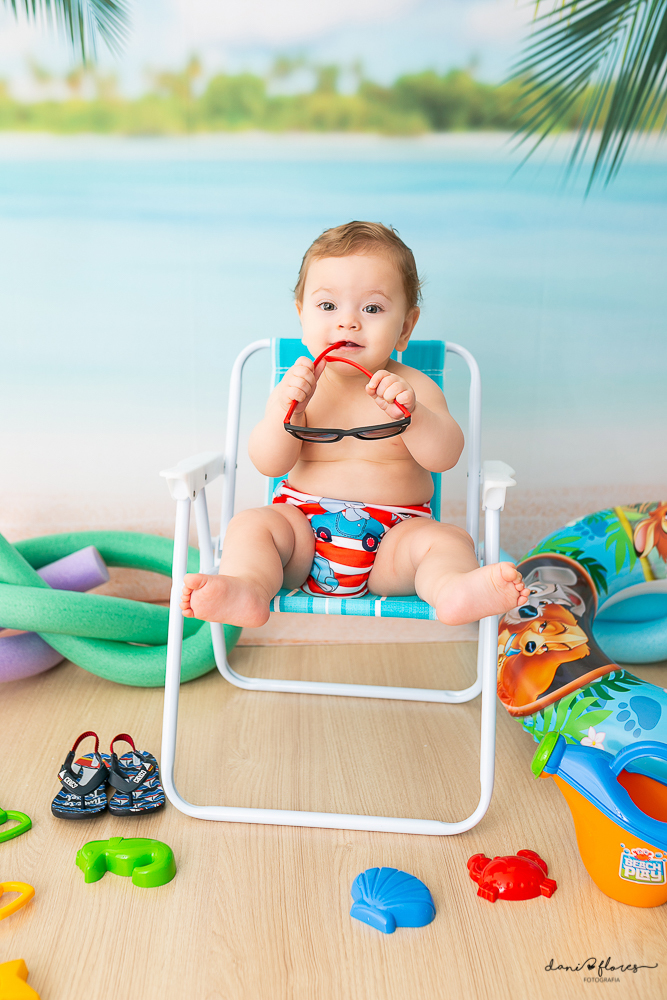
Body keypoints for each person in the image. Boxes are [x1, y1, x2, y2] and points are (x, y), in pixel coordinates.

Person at [181, 221, 528, 627]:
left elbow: (446, 456)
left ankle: (452, 589)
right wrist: (287, 414)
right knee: (251, 525)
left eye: (372, 309)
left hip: (393, 541)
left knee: (447, 541)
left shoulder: (414, 388)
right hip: (302, 535)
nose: (348, 322)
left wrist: (413, 417)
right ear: (302, 316)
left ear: (405, 328)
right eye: (328, 306)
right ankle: (249, 587)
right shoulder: (296, 386)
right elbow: (268, 463)